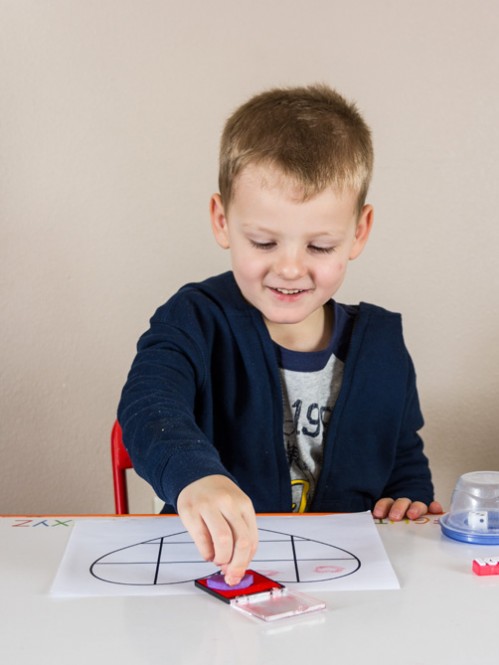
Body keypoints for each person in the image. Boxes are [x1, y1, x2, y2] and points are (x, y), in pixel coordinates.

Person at [118, 84, 442, 586]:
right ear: (222, 221)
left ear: (359, 232)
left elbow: (402, 454)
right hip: (215, 575)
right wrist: (195, 477)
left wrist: (407, 497)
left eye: (320, 246)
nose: (290, 269)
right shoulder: (194, 319)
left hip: (343, 582)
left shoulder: (382, 347)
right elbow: (147, 406)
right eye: (264, 241)